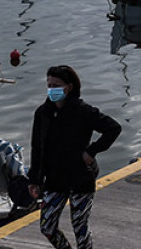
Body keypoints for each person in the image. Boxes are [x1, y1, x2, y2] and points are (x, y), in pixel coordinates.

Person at [28, 65, 123, 249]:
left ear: (69, 87)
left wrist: (91, 151)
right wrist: (34, 179)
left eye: (56, 85)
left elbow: (113, 128)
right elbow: (36, 148)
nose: (52, 89)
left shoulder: (83, 111)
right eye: (49, 85)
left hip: (80, 178)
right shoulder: (42, 113)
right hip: (54, 180)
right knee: (47, 227)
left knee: (80, 228)